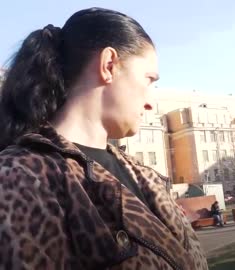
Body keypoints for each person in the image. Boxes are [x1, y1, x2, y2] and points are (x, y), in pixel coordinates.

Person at [0, 8, 208, 270]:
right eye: (148, 79)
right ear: (109, 65)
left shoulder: (143, 176)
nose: (150, 103)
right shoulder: (21, 177)